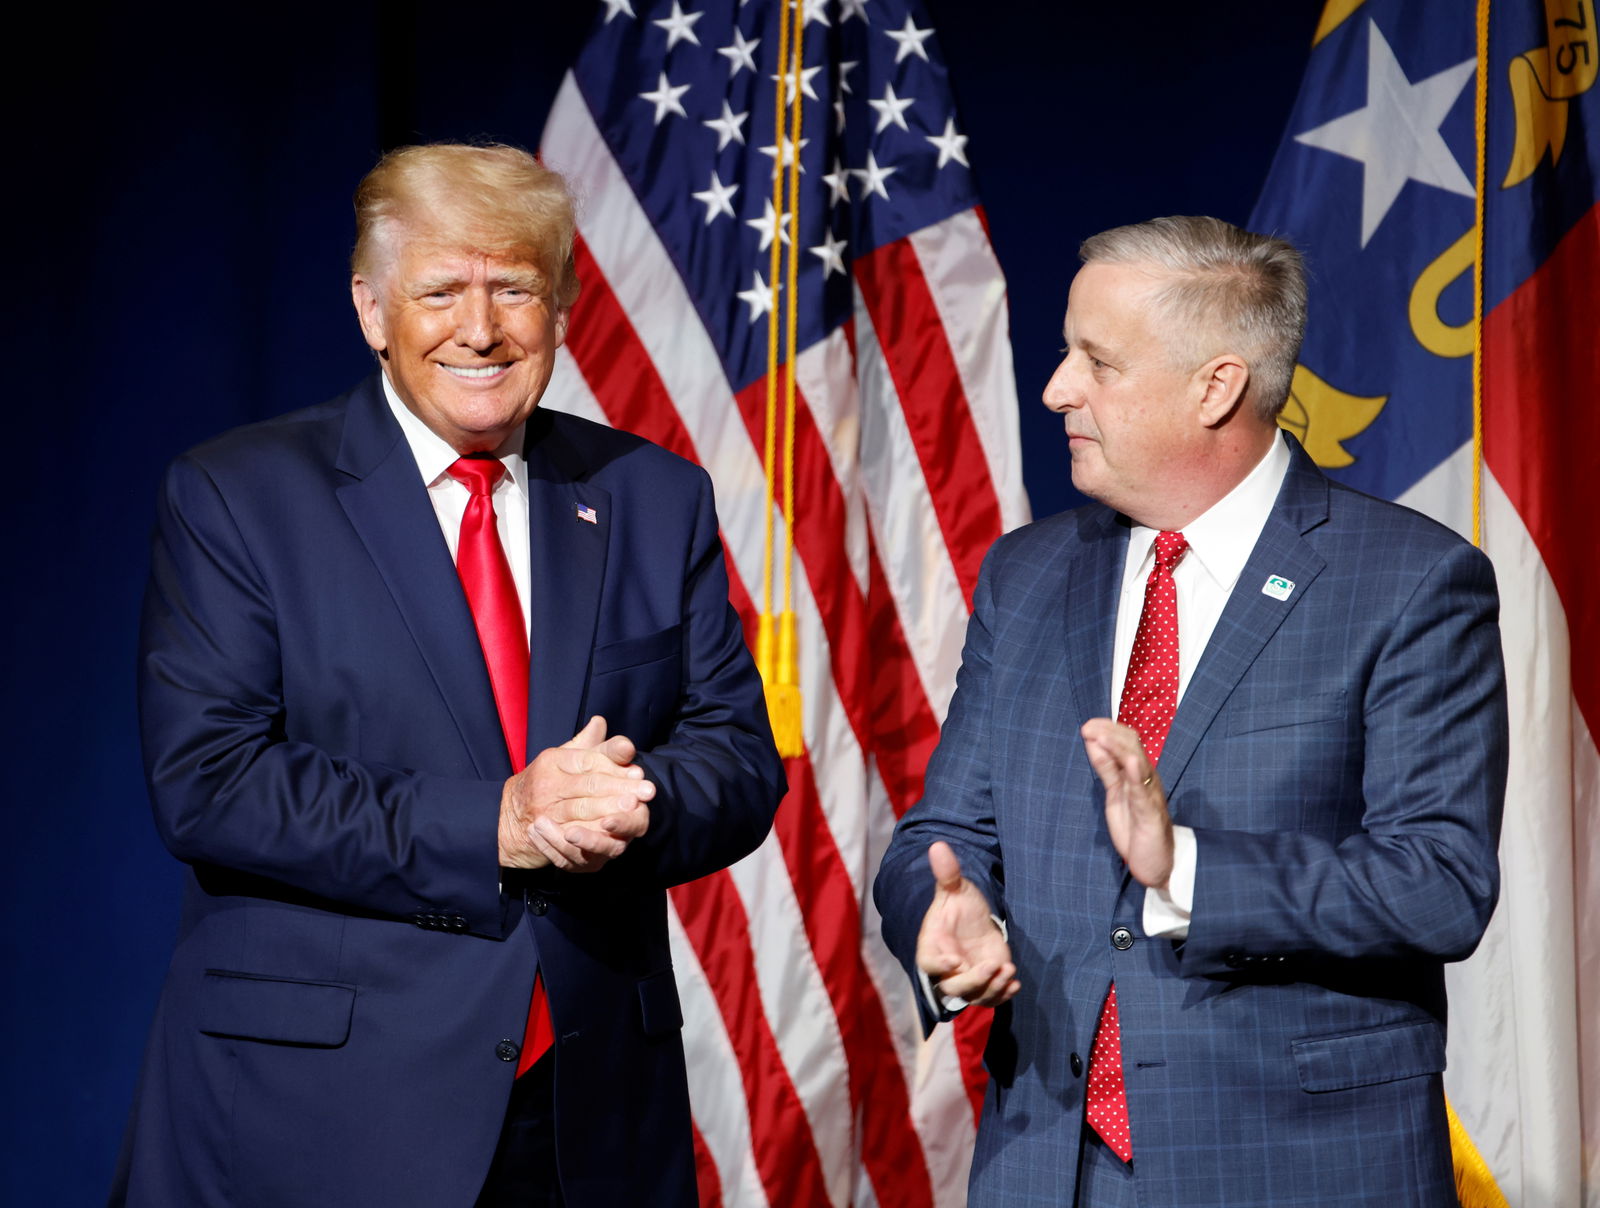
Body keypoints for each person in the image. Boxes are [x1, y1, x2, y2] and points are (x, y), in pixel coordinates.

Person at [113, 143, 785, 1208]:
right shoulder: (239, 496)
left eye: (513, 287)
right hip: (322, 1108)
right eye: (440, 291)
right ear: (372, 307)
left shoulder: (655, 497)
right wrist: (499, 823)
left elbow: (738, 759)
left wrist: (622, 806)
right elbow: (212, 780)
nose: (480, 329)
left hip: (586, 1111)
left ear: (561, 305)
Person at [873, 216, 1507, 1207]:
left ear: (1215, 386)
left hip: (1298, 1167)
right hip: (1046, 1161)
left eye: (1097, 361)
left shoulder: (1410, 583)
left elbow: (1439, 882)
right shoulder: (1026, 574)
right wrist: (946, 912)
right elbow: (947, 831)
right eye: (1063, 352)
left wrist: (1189, 869)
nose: (1056, 389)